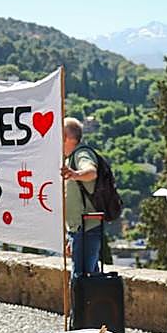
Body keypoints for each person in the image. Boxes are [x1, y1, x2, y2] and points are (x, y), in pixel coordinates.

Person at [62, 118, 103, 276]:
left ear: (66, 137)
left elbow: (91, 172)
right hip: (80, 229)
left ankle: (80, 302)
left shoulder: (81, 154)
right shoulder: (71, 158)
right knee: (89, 279)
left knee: (81, 280)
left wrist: (75, 174)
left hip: (86, 229)